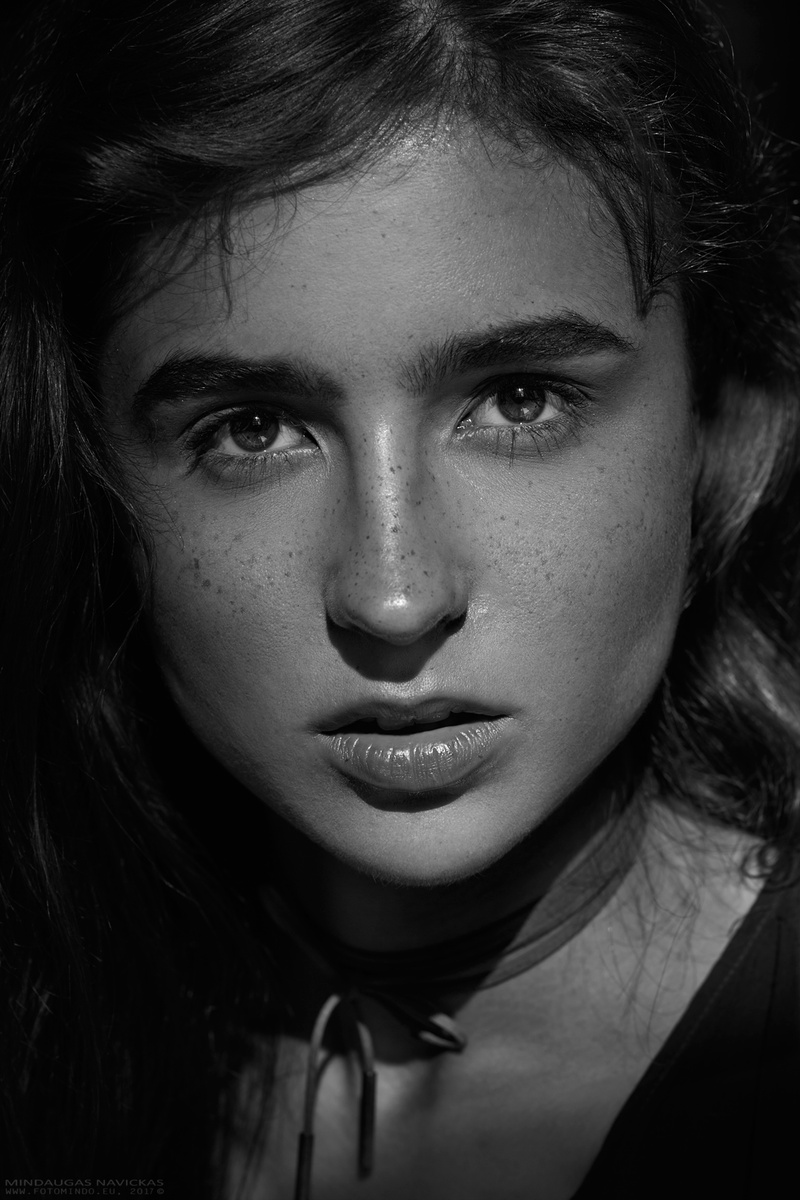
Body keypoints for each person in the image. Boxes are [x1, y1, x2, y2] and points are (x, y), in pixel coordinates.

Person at [1, 1, 799, 1196]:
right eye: (252, 428)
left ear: (719, 431)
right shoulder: (49, 1047)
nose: (392, 597)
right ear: (92, 479)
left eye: (519, 400)